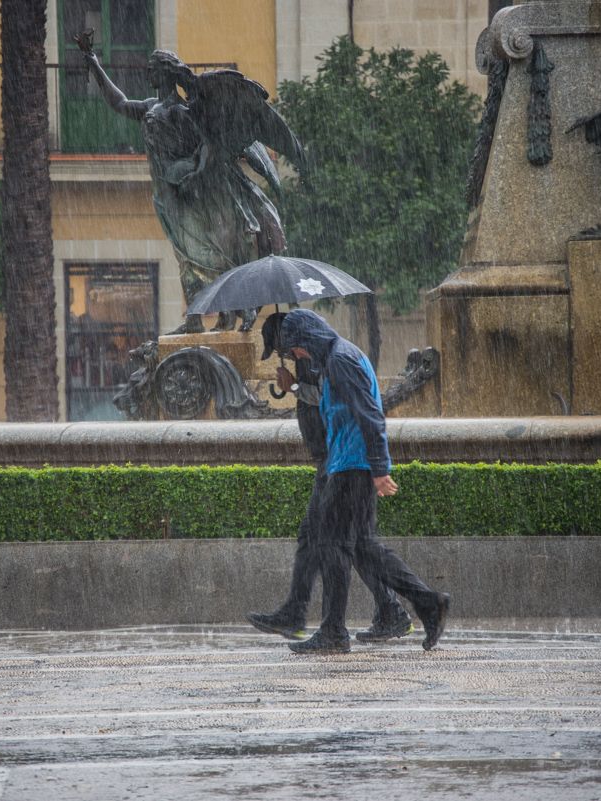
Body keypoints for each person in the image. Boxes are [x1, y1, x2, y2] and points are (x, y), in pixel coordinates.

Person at [76, 35, 293, 334]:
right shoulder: (152, 106)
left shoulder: (185, 112)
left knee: (208, 252)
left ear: (165, 72)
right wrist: (93, 62)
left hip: (191, 192)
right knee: (186, 255)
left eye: (152, 67)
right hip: (168, 193)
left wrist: (190, 169)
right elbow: (120, 102)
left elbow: (207, 147)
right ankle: (202, 318)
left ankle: (229, 312)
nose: (147, 73)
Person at [277, 310, 450, 654]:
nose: (297, 355)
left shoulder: (341, 360)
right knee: (362, 548)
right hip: (347, 464)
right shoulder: (338, 358)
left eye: (295, 348)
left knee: (332, 545)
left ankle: (334, 632)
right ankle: (427, 603)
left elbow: (371, 412)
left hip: (352, 466)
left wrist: (379, 467)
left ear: (308, 339)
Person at [246, 312, 414, 644]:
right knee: (333, 539)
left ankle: (342, 620)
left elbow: (332, 399)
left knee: (344, 542)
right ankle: (312, 614)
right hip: (334, 458)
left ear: (294, 341)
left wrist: (292, 385)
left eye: (286, 350)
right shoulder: (317, 353)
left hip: (339, 460)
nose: (290, 357)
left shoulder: (326, 355)